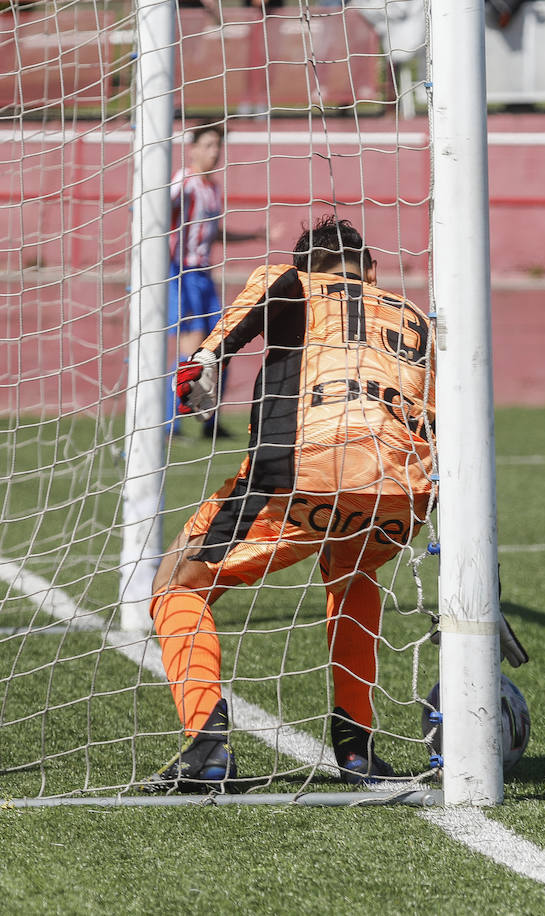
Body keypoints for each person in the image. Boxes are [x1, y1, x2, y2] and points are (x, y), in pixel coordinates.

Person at [142, 216, 437, 792]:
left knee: (177, 584)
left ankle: (206, 745)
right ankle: (356, 748)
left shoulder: (292, 281)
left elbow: (257, 300)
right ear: (372, 270)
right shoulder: (413, 314)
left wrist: (204, 360)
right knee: (353, 576)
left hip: (303, 470)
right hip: (401, 489)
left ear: (306, 265)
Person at [167, 121, 259, 438]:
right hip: (182, 272)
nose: (214, 151)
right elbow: (160, 210)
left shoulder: (213, 188)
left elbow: (213, 232)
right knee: (191, 346)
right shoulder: (184, 181)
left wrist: (254, 235)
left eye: (217, 146)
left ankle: (209, 421)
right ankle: (172, 423)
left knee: (219, 347)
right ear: (192, 149)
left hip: (205, 275)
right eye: (207, 145)